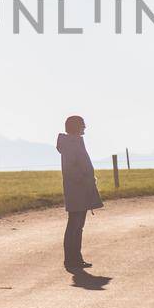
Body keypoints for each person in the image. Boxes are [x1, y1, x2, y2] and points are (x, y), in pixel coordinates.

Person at [56, 115, 103, 274]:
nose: (85, 127)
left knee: (78, 226)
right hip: (77, 189)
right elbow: (71, 169)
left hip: (79, 189)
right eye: (82, 124)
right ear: (76, 127)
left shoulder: (73, 142)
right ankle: (71, 259)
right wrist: (84, 179)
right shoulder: (71, 144)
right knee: (74, 225)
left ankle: (76, 258)